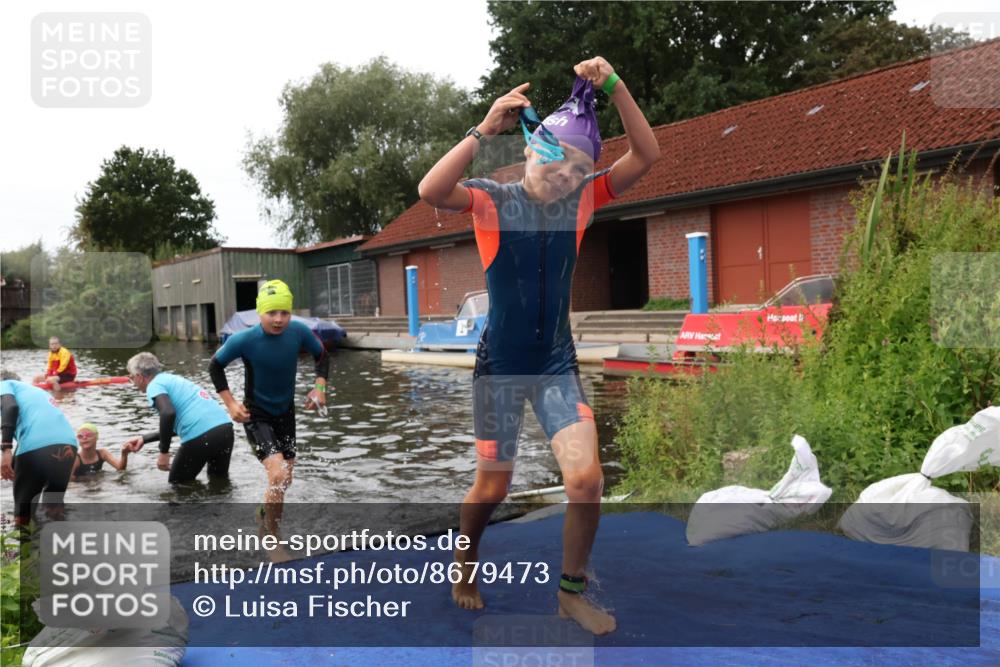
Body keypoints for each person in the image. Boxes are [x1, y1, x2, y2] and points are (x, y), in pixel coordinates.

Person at [418, 56, 659, 635]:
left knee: (586, 480)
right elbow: (431, 189)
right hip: (500, 365)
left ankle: (569, 593)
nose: (565, 177)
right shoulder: (490, 201)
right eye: (555, 161)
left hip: (554, 363)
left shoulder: (582, 201)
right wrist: (483, 130)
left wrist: (617, 85)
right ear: (531, 149)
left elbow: (648, 155)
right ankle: (465, 564)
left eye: (578, 169)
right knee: (493, 485)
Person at [208, 280, 328, 554]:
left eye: (284, 312)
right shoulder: (244, 339)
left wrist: (320, 387)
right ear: (259, 313)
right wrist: (230, 403)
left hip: (285, 414)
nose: (278, 319)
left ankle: (264, 515)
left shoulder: (298, 332)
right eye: (272, 313)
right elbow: (215, 365)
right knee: (278, 473)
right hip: (256, 414)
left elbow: (321, 355)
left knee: (285, 480)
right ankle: (271, 537)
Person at [121, 352, 234, 484]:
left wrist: (164, 452)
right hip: (224, 429)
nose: (133, 382)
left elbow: (168, 413)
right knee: (219, 483)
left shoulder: (154, 385)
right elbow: (181, 424)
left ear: (139, 377)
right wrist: (144, 439)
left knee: (179, 486)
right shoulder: (172, 379)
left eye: (131, 377)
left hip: (201, 435)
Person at [0, 371, 79, 528]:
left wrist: (6, 449)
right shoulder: (36, 392)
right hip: (68, 444)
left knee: (23, 516)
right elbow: (38, 432)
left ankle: (26, 550)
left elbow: (11, 407)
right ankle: (60, 548)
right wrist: (14, 464)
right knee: (53, 508)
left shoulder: (4, 385)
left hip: (36, 447)